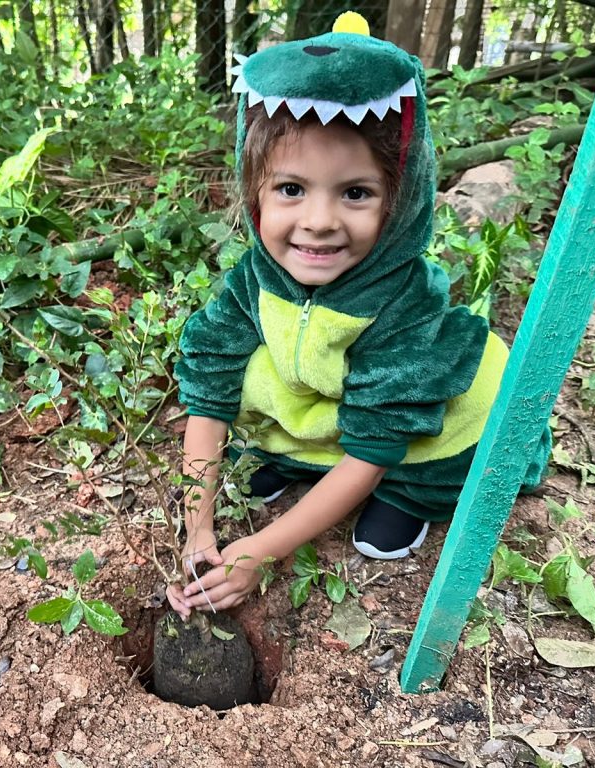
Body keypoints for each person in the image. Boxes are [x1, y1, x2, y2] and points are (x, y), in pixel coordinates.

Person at [166, 13, 550, 619]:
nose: (319, 221)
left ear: (399, 199)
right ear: (254, 193)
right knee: (252, 368)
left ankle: (411, 497)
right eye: (291, 189)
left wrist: (262, 551)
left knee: (419, 461)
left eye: (355, 193)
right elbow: (208, 392)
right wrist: (199, 529)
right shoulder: (255, 277)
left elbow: (374, 443)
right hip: (335, 395)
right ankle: (298, 460)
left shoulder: (401, 301)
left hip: (433, 426)